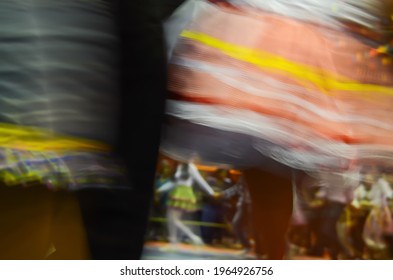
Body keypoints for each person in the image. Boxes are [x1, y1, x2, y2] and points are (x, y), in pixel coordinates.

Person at [156, 156, 218, 250]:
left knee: (173, 219)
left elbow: (200, 180)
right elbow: (173, 182)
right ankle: (174, 243)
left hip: (183, 193)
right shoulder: (179, 166)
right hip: (177, 192)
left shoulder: (190, 166)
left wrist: (211, 192)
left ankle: (192, 238)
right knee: (171, 218)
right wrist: (160, 190)